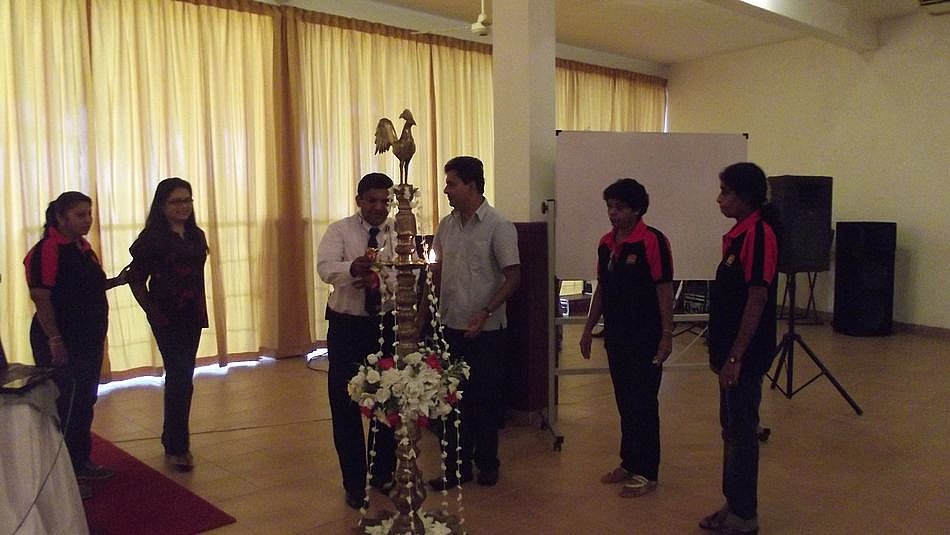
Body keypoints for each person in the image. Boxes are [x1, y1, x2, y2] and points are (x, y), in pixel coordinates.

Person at [24, 191, 128, 495]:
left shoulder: (82, 247)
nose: (87, 220)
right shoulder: (46, 250)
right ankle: (64, 474)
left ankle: (81, 462)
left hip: (87, 338)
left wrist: (118, 281)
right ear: (60, 217)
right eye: (80, 215)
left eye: (89, 213)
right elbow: (41, 297)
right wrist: (55, 339)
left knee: (84, 401)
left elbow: (86, 288)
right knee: (65, 404)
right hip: (61, 339)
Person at [428, 156, 520, 490]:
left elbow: (513, 277)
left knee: (485, 400)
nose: (446, 190)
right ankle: (456, 468)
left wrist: (486, 311)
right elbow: (436, 272)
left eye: (451, 183)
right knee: (451, 401)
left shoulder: (498, 225)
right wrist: (426, 315)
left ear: (471, 184)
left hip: (487, 332)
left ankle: (488, 465)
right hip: (450, 327)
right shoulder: (446, 226)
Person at [579, 178, 674, 498]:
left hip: (646, 337)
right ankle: (629, 462)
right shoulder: (606, 243)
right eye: (609, 207)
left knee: (643, 402)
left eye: (619, 207)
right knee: (625, 401)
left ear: (637, 209)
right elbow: (602, 289)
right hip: (617, 337)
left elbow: (664, 291)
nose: (613, 213)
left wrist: (666, 336)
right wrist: (588, 328)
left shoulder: (653, 241)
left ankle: (648, 472)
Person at [700, 162, 779, 535]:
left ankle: (745, 516)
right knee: (730, 430)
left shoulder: (760, 235)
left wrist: (736, 356)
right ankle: (733, 504)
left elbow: (757, 299)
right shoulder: (737, 235)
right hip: (729, 353)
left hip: (744, 355)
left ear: (746, 196)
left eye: (726, 192)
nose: (720, 199)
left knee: (742, 433)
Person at [317, 172, 398, 510]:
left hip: (385, 325)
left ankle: (383, 473)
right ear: (359, 201)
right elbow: (325, 268)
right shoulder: (340, 230)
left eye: (385, 201)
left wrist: (381, 278)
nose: (379, 207)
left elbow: (410, 273)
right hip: (347, 326)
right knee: (346, 404)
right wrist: (353, 269)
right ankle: (354, 482)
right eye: (372, 201)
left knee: (387, 401)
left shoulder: (398, 231)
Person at [127, 177, 208, 472]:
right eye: (176, 201)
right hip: (166, 315)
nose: (183, 206)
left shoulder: (196, 235)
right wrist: (151, 309)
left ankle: (172, 437)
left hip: (192, 313)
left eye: (187, 200)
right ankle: (177, 446)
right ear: (162, 205)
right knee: (179, 376)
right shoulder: (152, 239)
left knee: (184, 376)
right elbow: (136, 279)